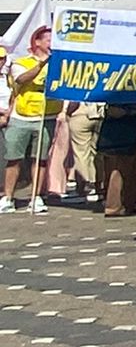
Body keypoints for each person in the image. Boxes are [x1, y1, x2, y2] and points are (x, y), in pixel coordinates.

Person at [3, 26, 55, 211]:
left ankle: (36, 196)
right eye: (48, 40)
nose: (52, 43)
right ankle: (8, 197)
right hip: (22, 116)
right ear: (37, 42)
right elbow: (21, 79)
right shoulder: (21, 62)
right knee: (14, 158)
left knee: (40, 159)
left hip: (46, 116)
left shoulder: (58, 64)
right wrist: (42, 64)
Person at [95, 100, 136, 216]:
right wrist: (133, 111)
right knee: (116, 171)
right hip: (115, 137)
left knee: (134, 170)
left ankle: (129, 203)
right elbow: (114, 112)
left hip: (134, 132)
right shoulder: (114, 96)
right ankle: (114, 206)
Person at [64, 98, 102, 206]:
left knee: (81, 153)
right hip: (100, 113)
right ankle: (98, 188)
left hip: (81, 113)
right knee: (97, 153)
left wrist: (68, 113)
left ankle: (82, 189)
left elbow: (75, 99)